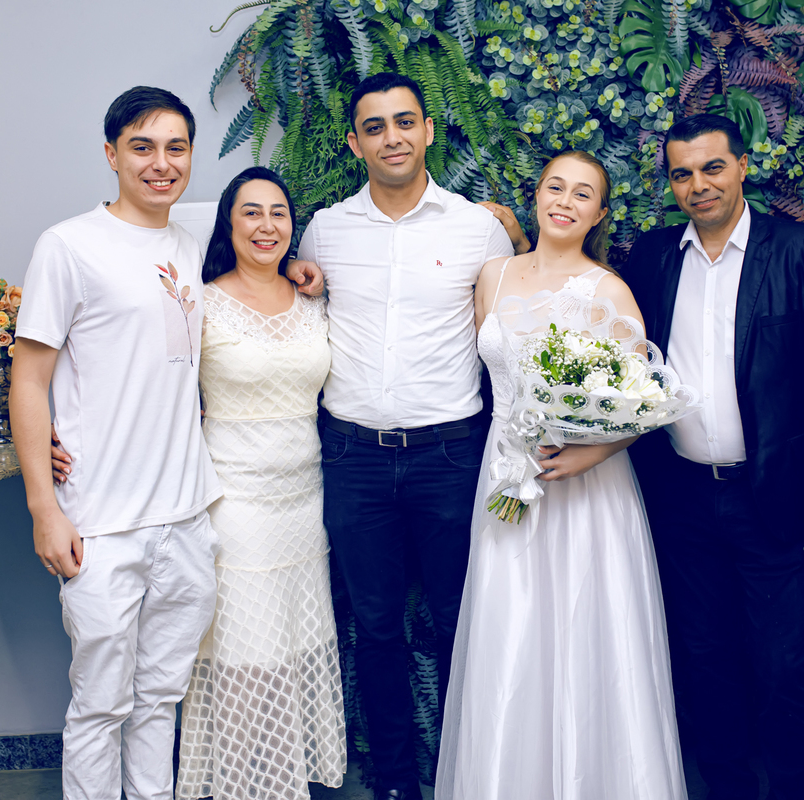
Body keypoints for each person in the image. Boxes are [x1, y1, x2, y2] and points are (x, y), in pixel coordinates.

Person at [287, 72, 528, 800]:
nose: (391, 137)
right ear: (353, 142)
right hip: (354, 456)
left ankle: (464, 778)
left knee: (460, 623)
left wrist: (518, 232)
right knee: (376, 628)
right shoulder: (325, 229)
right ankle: (395, 783)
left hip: (450, 455)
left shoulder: (477, 228)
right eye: (374, 126)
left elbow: (523, 312)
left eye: (403, 122)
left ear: (427, 130)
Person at [622, 113, 804, 800]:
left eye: (712, 168)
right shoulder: (653, 256)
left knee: (782, 665)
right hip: (681, 497)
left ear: (742, 167)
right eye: (682, 174)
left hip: (776, 497)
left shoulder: (802, 250)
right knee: (704, 658)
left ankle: (791, 791)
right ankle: (728, 789)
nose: (698, 185)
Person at [435, 151, 688, 800]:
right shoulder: (492, 276)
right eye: (555, 187)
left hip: (584, 488)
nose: (565, 202)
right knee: (509, 632)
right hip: (505, 477)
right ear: (537, 195)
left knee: (583, 635)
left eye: (582, 194)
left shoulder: (608, 290)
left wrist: (590, 453)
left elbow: (647, 402)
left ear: (599, 214)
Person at [10, 87, 223, 800]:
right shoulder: (68, 245)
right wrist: (44, 507)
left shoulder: (187, 240)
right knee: (101, 705)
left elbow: (263, 235)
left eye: (176, 148)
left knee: (160, 697)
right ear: (111, 154)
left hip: (185, 516)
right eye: (142, 147)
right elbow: (29, 380)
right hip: (101, 520)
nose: (161, 163)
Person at [173, 166, 347, 799]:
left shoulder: (313, 300)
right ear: (228, 224)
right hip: (235, 500)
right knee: (246, 654)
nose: (266, 225)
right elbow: (155, 388)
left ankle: (283, 779)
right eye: (251, 212)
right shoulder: (199, 302)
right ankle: (244, 788)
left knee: (297, 642)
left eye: (278, 212)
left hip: (304, 498)